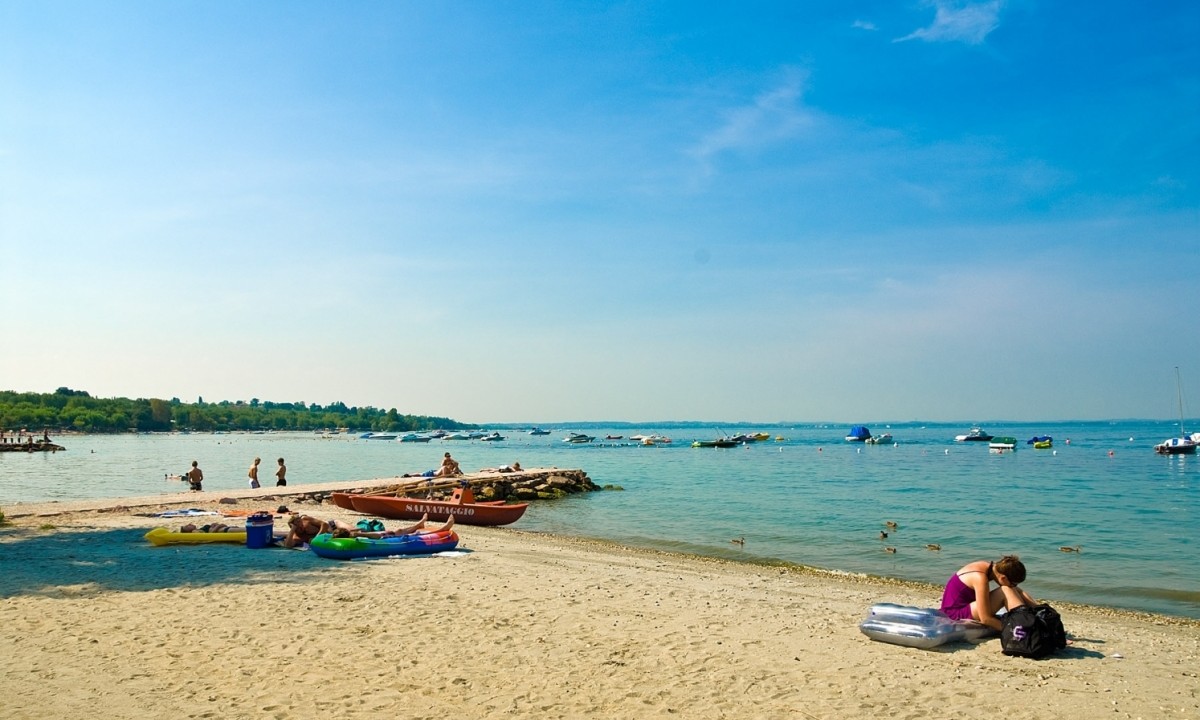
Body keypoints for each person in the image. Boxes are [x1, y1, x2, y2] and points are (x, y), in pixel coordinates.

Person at [940, 555, 1037, 631]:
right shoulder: (980, 578)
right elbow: (985, 619)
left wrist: (1036, 607)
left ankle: (1038, 611)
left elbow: (1017, 590)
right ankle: (1022, 622)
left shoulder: (987, 566)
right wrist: (1010, 630)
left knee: (1012, 589)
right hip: (954, 613)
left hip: (962, 606)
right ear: (1003, 578)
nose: (1013, 586)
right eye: (1013, 583)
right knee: (1005, 590)